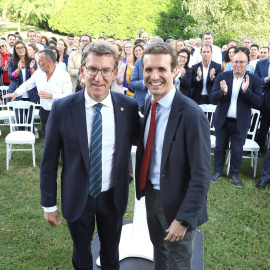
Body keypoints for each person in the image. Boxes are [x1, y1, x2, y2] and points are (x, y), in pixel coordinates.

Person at [39, 42, 141, 269]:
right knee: (81, 252)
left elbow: (145, 141)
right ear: (82, 70)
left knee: (111, 252)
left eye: (106, 70)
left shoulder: (128, 108)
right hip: (77, 195)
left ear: (115, 73)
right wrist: (48, 204)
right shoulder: (62, 109)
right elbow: (48, 163)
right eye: (93, 69)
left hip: (113, 196)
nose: (98, 77)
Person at [135, 42, 211, 270]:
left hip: (179, 205)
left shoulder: (191, 114)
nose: (154, 76)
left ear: (175, 71)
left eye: (161, 70)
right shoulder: (150, 102)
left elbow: (201, 175)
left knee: (178, 261)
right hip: (152, 196)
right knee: (159, 251)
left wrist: (184, 219)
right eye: (148, 70)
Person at [210, 50, 263, 187]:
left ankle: (234, 174)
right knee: (220, 148)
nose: (238, 65)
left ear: (247, 63)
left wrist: (246, 91)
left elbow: (259, 102)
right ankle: (217, 171)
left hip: (241, 122)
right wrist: (222, 92)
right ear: (231, 63)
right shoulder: (222, 76)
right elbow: (212, 98)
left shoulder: (254, 80)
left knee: (237, 150)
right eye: (235, 62)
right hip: (223, 120)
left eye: (241, 62)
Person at [4, 49, 73, 138]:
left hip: (60, 112)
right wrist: (16, 93)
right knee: (47, 139)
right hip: (44, 111)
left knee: (61, 139)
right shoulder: (39, 73)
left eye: (40, 61)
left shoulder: (63, 75)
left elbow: (69, 95)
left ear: (49, 61)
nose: (38, 63)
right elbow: (27, 85)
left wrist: (52, 96)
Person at [254, 56, 270, 157]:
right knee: (262, 126)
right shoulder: (260, 63)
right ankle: (258, 148)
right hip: (263, 99)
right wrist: (267, 79)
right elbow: (256, 80)